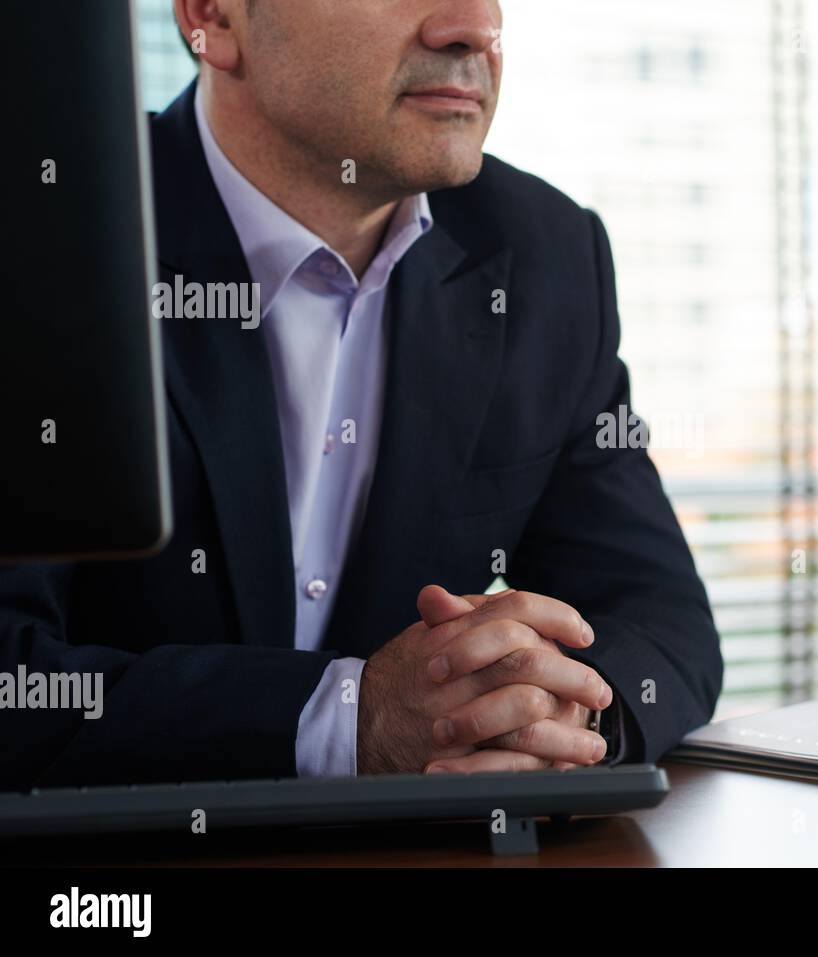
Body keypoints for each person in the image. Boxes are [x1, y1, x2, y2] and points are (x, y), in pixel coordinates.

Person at [0, 0, 722, 790]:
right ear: (215, 18)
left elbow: (660, 617)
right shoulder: (39, 228)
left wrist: (566, 719)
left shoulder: (542, 253)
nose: (474, 26)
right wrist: (349, 720)